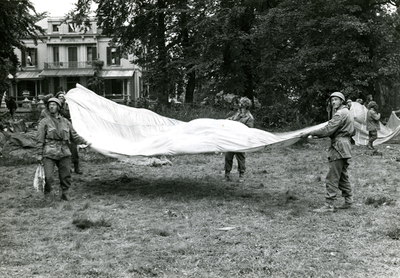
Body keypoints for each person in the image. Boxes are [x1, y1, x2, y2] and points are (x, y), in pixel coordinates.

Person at [301, 92, 355, 212]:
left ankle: (329, 204)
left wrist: (311, 132)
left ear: (342, 101)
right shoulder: (347, 112)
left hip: (338, 147)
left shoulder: (340, 114)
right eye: (332, 100)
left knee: (332, 176)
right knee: (342, 176)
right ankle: (349, 200)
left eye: (336, 100)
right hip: (345, 146)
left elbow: (328, 129)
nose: (333, 102)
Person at [36, 98, 90, 201]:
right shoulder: (44, 122)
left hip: (64, 151)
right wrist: (39, 154)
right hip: (49, 152)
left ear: (59, 107)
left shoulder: (66, 122)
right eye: (50, 105)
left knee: (66, 175)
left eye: (54, 105)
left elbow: (75, 137)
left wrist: (86, 141)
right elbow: (39, 139)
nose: (52, 106)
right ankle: (48, 193)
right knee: (48, 177)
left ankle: (65, 193)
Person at [224, 97, 254, 182]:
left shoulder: (249, 118)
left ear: (245, 105)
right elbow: (231, 119)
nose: (239, 104)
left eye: (241, 103)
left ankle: (241, 175)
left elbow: (249, 131)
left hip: (240, 141)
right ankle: (227, 175)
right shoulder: (238, 114)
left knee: (240, 158)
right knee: (228, 156)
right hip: (232, 139)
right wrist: (224, 121)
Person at [56, 91, 83, 174]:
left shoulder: (68, 105)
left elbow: (69, 114)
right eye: (59, 96)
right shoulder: (53, 106)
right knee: (61, 150)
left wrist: (61, 110)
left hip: (69, 128)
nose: (61, 97)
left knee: (73, 148)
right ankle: (66, 168)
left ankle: (76, 167)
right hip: (58, 130)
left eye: (62, 96)